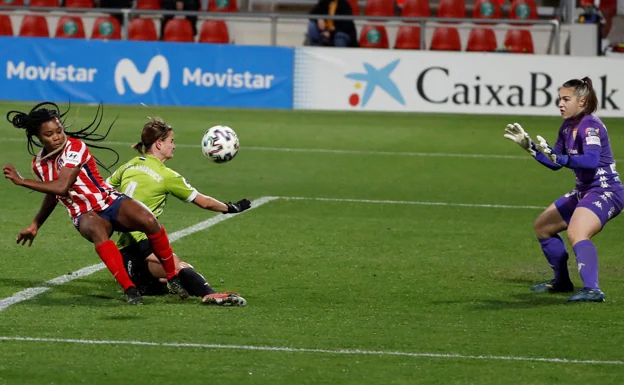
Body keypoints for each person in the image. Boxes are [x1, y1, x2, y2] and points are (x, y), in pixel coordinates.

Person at [3, 102, 188, 305]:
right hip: (83, 214)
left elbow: (62, 186)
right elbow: (53, 193)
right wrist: (36, 223)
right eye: (49, 134)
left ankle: (172, 276)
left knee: (148, 220)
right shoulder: (38, 164)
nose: (56, 136)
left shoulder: (75, 147)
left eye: (59, 130)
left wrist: (21, 181)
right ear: (39, 137)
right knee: (98, 230)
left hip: (107, 200)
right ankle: (130, 290)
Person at [106, 117, 250, 306]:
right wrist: (231, 207)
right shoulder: (167, 175)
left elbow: (104, 187)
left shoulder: (130, 165)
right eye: (171, 141)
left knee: (163, 284)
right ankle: (210, 294)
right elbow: (204, 202)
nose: (174, 146)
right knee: (182, 268)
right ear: (159, 144)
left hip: (125, 257)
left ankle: (149, 285)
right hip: (142, 246)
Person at [504, 77, 624, 302]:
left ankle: (592, 290)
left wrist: (560, 157)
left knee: (577, 233)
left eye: (566, 99)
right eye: (559, 99)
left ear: (582, 101)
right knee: (543, 226)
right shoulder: (568, 127)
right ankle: (561, 282)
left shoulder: (590, 126)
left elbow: (590, 161)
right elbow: (555, 162)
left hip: (606, 190)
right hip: (584, 190)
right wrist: (531, 148)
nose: (560, 103)